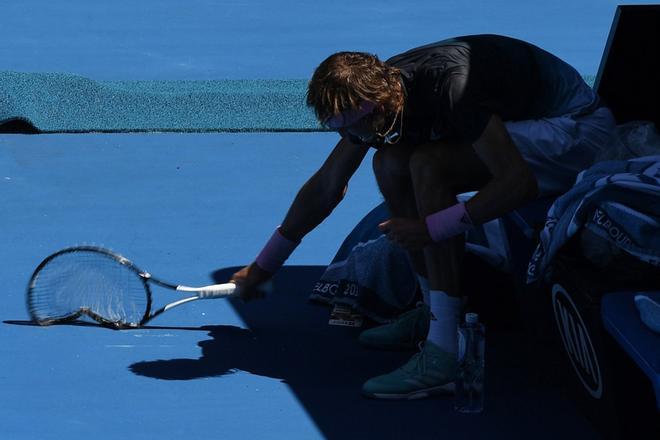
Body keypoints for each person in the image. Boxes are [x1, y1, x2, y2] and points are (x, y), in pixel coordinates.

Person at [230, 34, 616, 400]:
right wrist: (264, 266)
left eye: (354, 127)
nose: (352, 138)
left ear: (380, 105)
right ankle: (436, 314)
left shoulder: (452, 88)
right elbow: (329, 185)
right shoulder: (377, 97)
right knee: (389, 163)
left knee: (429, 164)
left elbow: (517, 183)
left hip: (579, 132)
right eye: (338, 128)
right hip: (522, 128)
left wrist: (429, 228)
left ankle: (444, 356)